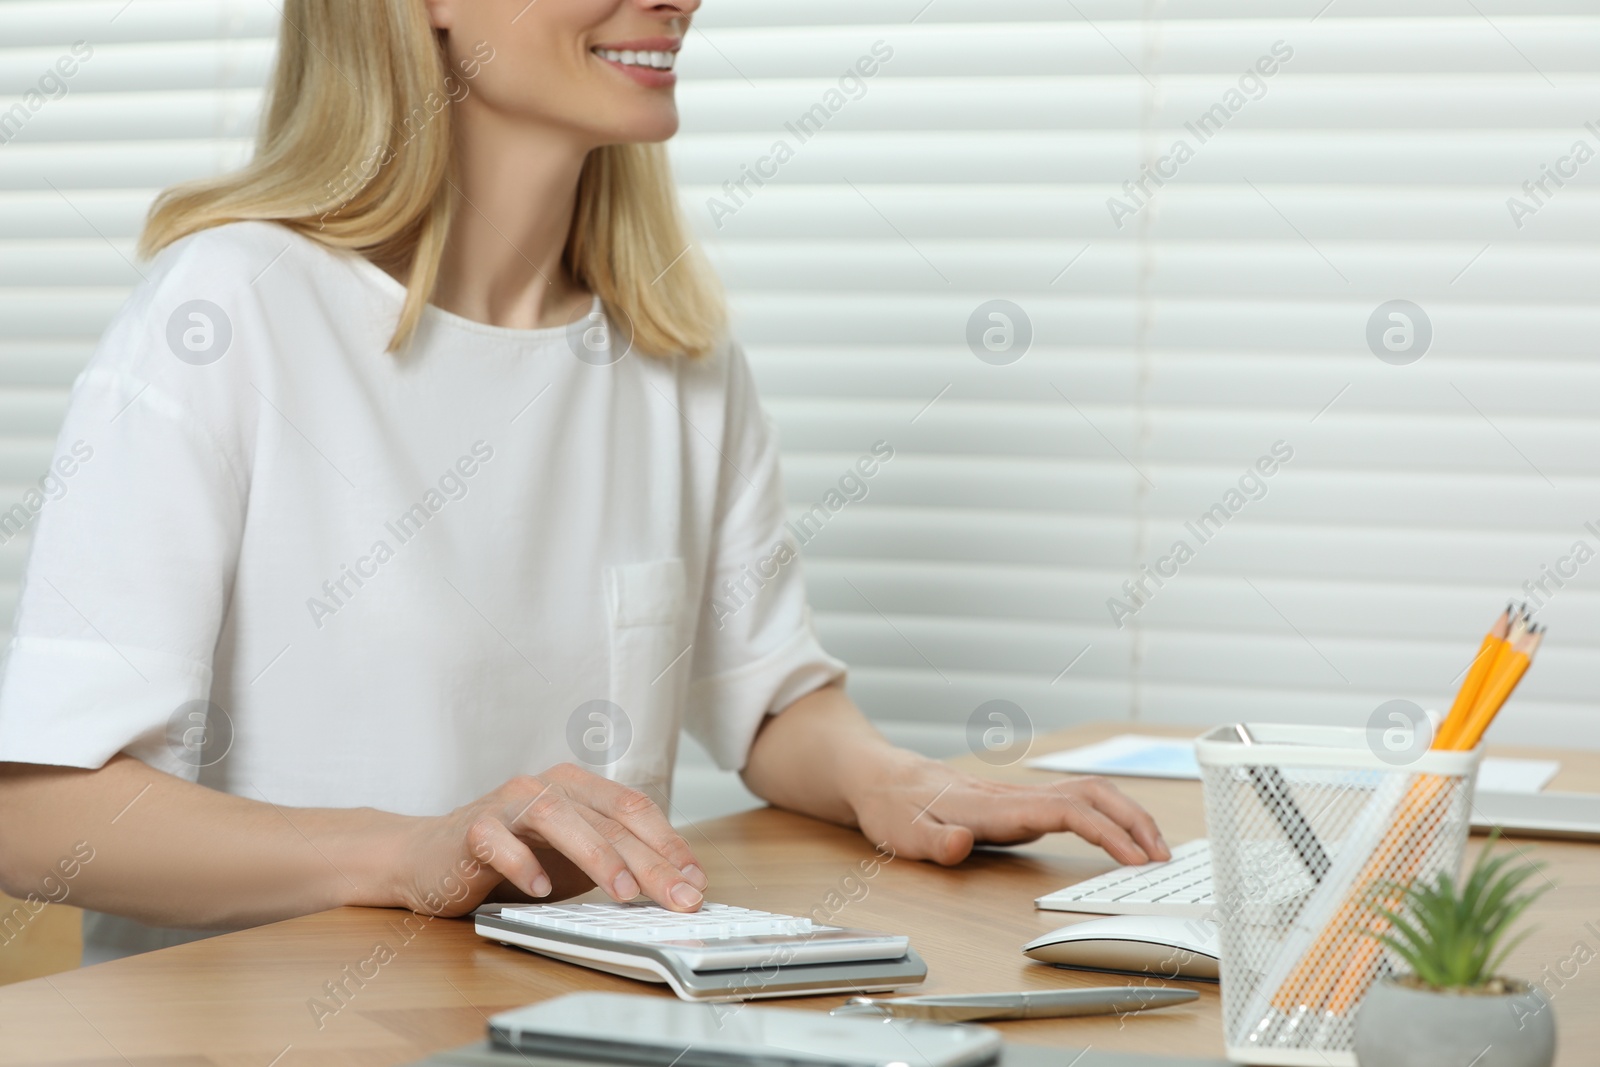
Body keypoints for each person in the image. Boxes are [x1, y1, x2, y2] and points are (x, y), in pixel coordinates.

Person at [0, 0, 1168, 964]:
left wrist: (893, 779)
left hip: (558, 1025)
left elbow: (767, 697)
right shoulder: (232, 310)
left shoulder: (676, 349)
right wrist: (407, 853)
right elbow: (35, 813)